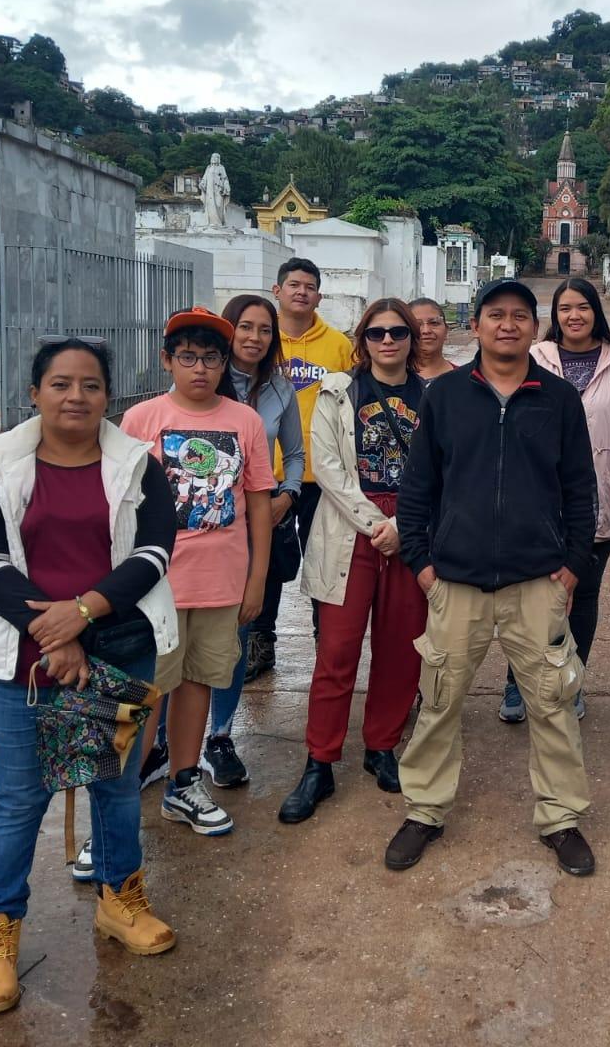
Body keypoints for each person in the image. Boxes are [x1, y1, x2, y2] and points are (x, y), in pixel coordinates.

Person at [0, 337, 178, 1016]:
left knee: (114, 788)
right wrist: (51, 633)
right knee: (19, 800)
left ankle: (120, 899)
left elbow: (154, 549)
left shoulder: (137, 464)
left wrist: (81, 615)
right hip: (25, 660)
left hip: (115, 646)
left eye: (89, 385)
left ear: (108, 395)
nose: (75, 396)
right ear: (35, 393)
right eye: (60, 384)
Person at [387, 278, 599, 877]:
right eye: (495, 315)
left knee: (553, 702)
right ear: (475, 326)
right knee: (440, 699)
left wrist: (571, 568)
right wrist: (424, 567)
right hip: (455, 582)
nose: (507, 325)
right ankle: (425, 809)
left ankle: (560, 817)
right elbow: (418, 488)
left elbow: (581, 493)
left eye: (520, 317)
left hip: (538, 584)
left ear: (536, 329)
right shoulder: (447, 396)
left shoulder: (558, 399)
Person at [121, 307, 274, 838]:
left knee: (198, 683)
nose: (200, 369)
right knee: (146, 694)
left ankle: (183, 783)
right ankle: (114, 810)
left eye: (211, 358)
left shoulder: (244, 422)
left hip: (221, 583)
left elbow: (258, 504)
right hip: (154, 587)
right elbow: (121, 505)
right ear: (167, 360)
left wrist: (256, 580)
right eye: (188, 357)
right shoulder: (142, 420)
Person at [279, 298, 428, 825]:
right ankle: (320, 761)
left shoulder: (432, 397)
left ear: (412, 340)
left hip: (410, 534)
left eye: (398, 333)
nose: (387, 342)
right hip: (350, 529)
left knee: (401, 649)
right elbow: (329, 466)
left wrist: (403, 529)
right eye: (376, 333)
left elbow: (442, 471)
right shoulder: (337, 392)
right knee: (337, 652)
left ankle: (382, 745)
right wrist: (376, 527)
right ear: (362, 341)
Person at [496, 278, 610, 723]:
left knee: (579, 596)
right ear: (554, 315)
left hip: (599, 500)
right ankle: (516, 682)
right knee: (525, 597)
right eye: (565, 309)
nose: (574, 316)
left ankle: (571, 680)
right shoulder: (535, 358)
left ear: (595, 311)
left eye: (582, 307)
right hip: (535, 501)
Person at [197, 294, 304, 788]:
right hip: (195, 537)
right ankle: (166, 743)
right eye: (245, 327)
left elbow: (296, 454)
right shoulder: (200, 384)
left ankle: (219, 735)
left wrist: (286, 496)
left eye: (265, 330)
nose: (255, 338)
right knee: (180, 640)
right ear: (228, 330)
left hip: (252, 531)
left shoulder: (280, 389)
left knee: (234, 641)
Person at [272, 256, 356, 645]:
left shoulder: (339, 346)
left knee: (324, 560)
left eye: (309, 286)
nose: (301, 291)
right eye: (294, 284)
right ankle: (261, 639)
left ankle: (326, 634)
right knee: (268, 562)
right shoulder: (261, 339)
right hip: (268, 475)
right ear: (277, 291)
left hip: (322, 476)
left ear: (319, 297)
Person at [410, 297, 457, 381]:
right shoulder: (390, 378)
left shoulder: (465, 379)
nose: (426, 330)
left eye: (434, 323)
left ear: (446, 330)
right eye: (417, 324)